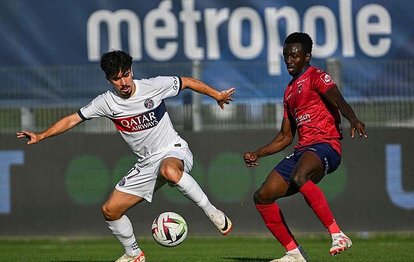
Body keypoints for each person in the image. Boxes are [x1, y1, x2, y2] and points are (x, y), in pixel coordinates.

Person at [17, 50, 235, 262]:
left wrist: (217, 95)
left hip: (173, 149)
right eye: (116, 79)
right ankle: (134, 254)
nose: (123, 82)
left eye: (126, 74)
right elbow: (73, 119)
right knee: (110, 211)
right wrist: (42, 135)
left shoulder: (153, 86)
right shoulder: (106, 102)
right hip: (146, 163)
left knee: (168, 170)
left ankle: (212, 212)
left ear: (131, 71)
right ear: (108, 80)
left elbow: (186, 81)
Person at [243, 32, 367, 262]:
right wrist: (257, 153)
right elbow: (285, 137)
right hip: (303, 150)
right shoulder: (289, 92)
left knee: (300, 176)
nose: (289, 60)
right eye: (286, 56)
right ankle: (295, 253)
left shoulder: (317, 77)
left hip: (326, 146)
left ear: (307, 56)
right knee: (262, 196)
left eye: (294, 55)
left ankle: (337, 234)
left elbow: (338, 100)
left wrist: (353, 119)